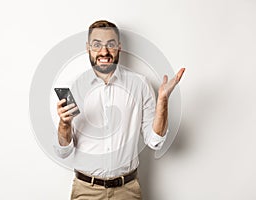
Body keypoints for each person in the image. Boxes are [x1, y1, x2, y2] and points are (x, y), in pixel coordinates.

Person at [54, 20, 185, 200]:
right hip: (86, 191)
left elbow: (155, 141)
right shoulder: (74, 87)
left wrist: (162, 101)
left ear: (119, 47)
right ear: (88, 48)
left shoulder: (140, 85)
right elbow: (64, 151)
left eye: (111, 44)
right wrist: (64, 124)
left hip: (127, 191)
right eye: (97, 45)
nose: (104, 51)